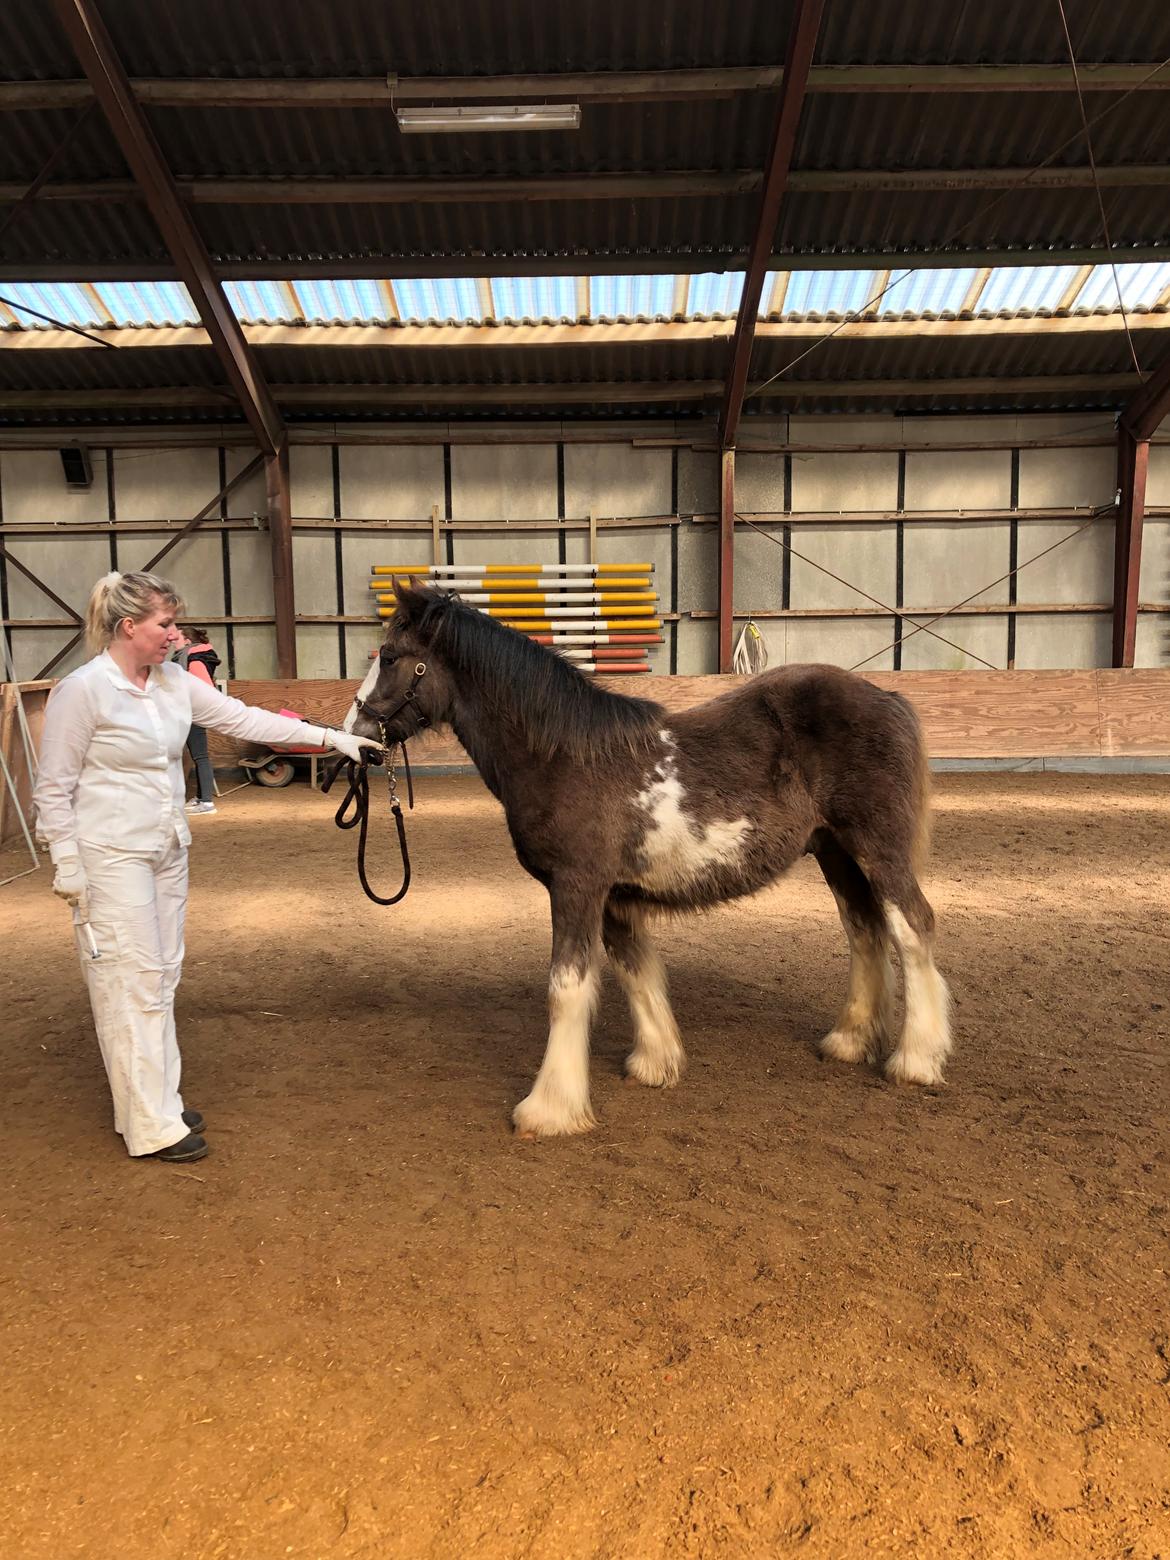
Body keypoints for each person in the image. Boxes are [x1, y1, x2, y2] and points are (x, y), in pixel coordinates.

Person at [32, 570, 381, 1164]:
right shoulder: (83, 692)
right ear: (129, 627)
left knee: (162, 973)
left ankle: (153, 1099)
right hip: (110, 853)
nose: (175, 634)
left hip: (166, 846)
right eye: (165, 624)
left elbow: (244, 719)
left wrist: (330, 738)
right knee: (130, 980)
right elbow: (53, 788)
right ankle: (150, 1122)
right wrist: (65, 860)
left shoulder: (171, 684)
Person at [176, 627, 220, 815]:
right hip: (188, 711)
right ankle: (202, 797)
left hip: (193, 712)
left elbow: (205, 688)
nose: (172, 639)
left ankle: (207, 802)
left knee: (200, 756)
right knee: (197, 756)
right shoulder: (190, 657)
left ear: (187, 641)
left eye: (177, 637)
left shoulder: (193, 660)